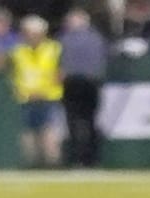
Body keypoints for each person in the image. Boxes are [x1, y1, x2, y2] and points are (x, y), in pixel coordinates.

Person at [11, 14, 65, 169]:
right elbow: (13, 75)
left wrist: (42, 91)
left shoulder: (54, 49)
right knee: (27, 135)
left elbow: (60, 74)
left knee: (50, 133)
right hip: (26, 98)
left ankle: (52, 165)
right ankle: (30, 165)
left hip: (48, 97)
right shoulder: (17, 51)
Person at [58, 8, 109, 169]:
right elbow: (103, 60)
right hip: (92, 83)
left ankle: (78, 159)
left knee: (74, 122)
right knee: (91, 121)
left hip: (73, 83)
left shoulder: (65, 39)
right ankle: (93, 159)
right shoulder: (97, 38)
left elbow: (60, 64)